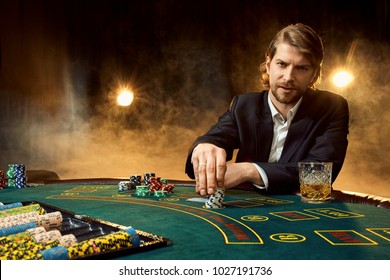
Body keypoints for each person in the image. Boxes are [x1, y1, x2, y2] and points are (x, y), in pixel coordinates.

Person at [185, 23, 349, 196]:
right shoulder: (244, 105)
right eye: (282, 64)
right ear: (269, 64)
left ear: (314, 74)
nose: (288, 77)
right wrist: (204, 147)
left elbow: (318, 177)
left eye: (302, 68)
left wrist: (249, 171)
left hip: (300, 215)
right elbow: (214, 140)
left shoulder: (332, 107)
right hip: (245, 211)